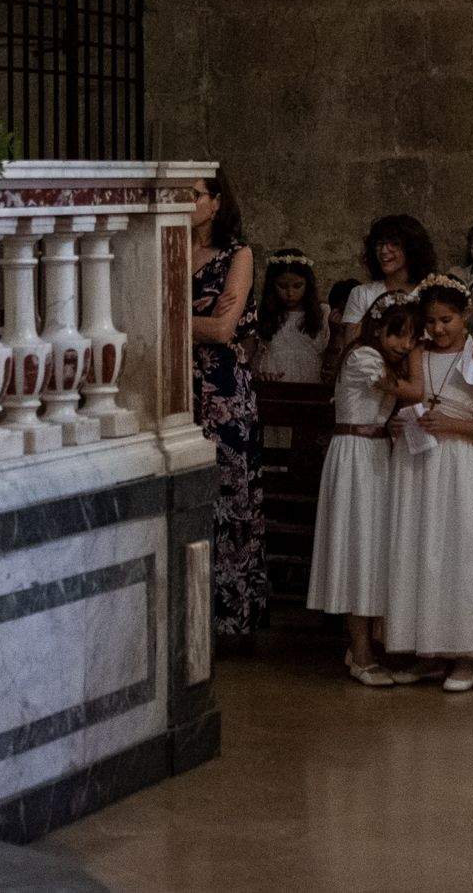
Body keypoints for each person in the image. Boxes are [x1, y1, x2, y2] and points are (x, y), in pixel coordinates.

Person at [382, 275, 473, 692]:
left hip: (457, 463)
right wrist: (403, 423)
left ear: (466, 315)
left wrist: (451, 424)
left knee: (457, 552)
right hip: (417, 460)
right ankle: (424, 650)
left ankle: (464, 654)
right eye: (431, 321)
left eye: (447, 319)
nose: (438, 329)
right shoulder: (416, 351)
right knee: (417, 550)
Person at [309, 292, 424, 686]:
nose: (404, 345)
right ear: (377, 329)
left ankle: (365, 643)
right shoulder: (364, 358)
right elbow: (414, 392)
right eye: (399, 336)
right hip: (356, 457)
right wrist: (421, 355)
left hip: (375, 454)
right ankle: (359, 650)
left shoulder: (376, 356)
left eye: (411, 338)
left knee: (375, 549)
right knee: (358, 547)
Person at [190, 172, 266, 642]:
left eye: (193, 195)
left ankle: (230, 619)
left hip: (223, 390)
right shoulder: (166, 250)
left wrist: (164, 317)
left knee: (229, 495)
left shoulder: (238, 255)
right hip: (179, 384)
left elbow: (223, 330)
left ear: (216, 203)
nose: (185, 204)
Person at [338, 215, 437, 348]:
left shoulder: (431, 293)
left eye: (394, 243)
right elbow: (350, 349)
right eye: (380, 244)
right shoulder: (361, 294)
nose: (384, 250)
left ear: (412, 248)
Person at [250, 250, 331, 384]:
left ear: (308, 284)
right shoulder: (263, 315)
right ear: (272, 285)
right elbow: (255, 358)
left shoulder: (322, 313)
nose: (290, 293)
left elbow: (329, 357)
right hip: (274, 387)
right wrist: (262, 375)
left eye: (297, 286)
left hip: (311, 388)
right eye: (282, 286)